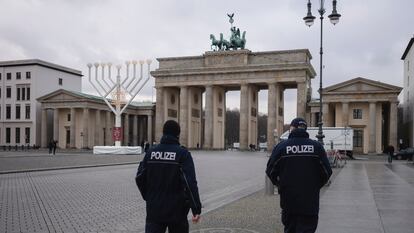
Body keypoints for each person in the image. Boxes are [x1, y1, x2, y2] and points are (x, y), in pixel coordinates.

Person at [266, 117, 332, 233]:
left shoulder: (281, 147)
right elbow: (327, 172)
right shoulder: (316, 147)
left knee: (290, 229)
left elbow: (270, 171)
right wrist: (315, 186)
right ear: (305, 129)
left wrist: (280, 185)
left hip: (289, 201)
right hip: (310, 203)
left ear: (292, 128)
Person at [135, 120, 202, 233]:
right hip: (177, 210)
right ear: (178, 134)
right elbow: (190, 183)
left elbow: (139, 177)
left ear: (163, 132)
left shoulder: (151, 152)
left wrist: (149, 196)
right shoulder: (182, 154)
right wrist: (196, 209)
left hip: (154, 209)